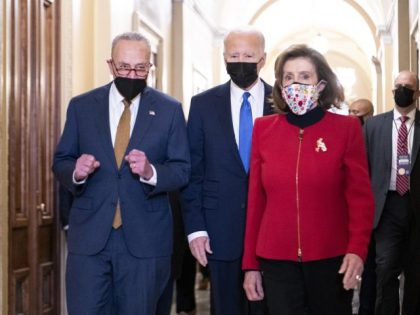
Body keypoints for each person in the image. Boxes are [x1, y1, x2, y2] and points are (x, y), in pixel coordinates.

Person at [52, 32, 190, 315]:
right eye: (124, 67)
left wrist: (152, 172)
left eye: (140, 68)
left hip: (145, 240)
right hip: (90, 240)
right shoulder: (82, 106)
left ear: (150, 67)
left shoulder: (169, 110)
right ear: (110, 65)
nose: (132, 74)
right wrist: (76, 172)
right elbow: (61, 160)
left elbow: (182, 170)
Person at [242, 44, 374, 315]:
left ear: (321, 84)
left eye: (304, 76)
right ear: (279, 85)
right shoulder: (263, 130)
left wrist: (357, 250)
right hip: (276, 259)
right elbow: (256, 201)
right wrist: (251, 265)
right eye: (288, 78)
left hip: (331, 258)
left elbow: (360, 198)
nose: (295, 84)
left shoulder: (346, 129)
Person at [181, 27, 273, 315]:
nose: (241, 61)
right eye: (234, 55)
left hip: (271, 231)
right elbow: (192, 172)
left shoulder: (281, 104)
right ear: (224, 58)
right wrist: (195, 229)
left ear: (263, 59)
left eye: (248, 55)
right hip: (219, 232)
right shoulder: (203, 104)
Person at [364, 70, 420, 315]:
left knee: (416, 272)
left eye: (407, 86)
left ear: (417, 93)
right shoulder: (374, 125)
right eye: (398, 85)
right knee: (385, 268)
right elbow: (363, 167)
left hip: (416, 207)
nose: (402, 90)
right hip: (386, 206)